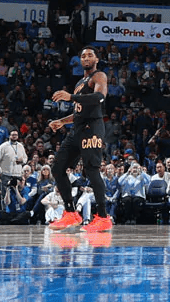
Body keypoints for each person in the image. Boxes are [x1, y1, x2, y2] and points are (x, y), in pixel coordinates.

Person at [47, 46, 112, 231]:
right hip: (77, 129)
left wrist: (71, 97)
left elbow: (99, 97)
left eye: (90, 55)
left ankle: (103, 217)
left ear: (96, 59)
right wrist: (62, 121)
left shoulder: (99, 76)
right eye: (83, 56)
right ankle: (70, 213)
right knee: (57, 168)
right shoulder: (79, 82)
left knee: (91, 170)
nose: (86, 58)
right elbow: (78, 113)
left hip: (92, 128)